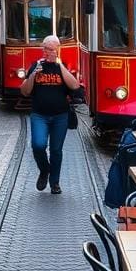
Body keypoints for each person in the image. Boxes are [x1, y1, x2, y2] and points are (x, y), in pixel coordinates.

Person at [20, 34, 81, 195]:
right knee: (38, 145)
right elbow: (25, 91)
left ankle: (55, 182)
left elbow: (75, 86)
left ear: (57, 51)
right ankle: (44, 170)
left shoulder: (63, 66)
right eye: (45, 49)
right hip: (39, 114)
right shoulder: (36, 66)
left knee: (56, 150)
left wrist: (59, 65)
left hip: (60, 115)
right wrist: (33, 75)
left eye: (50, 50)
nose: (46, 52)